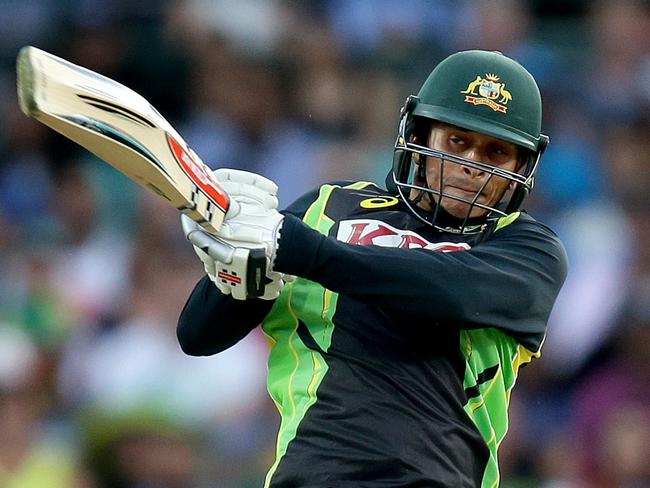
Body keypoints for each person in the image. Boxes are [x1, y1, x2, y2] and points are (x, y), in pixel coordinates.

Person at [177, 50, 568, 487]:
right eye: (457, 141)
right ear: (420, 136)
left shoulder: (528, 248)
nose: (472, 165)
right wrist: (237, 262)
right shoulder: (328, 207)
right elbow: (198, 335)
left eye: (496, 152)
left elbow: (448, 291)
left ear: (522, 165)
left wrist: (305, 251)